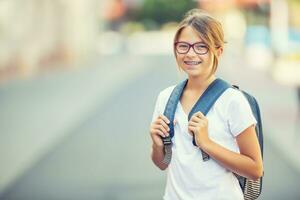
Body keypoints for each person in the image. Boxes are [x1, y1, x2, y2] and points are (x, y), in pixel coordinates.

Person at [149, 9, 263, 200]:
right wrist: (156, 144)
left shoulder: (232, 100)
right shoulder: (166, 98)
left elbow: (255, 169)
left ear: (218, 51)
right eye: (183, 46)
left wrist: (207, 143)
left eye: (201, 47)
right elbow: (162, 163)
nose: (190, 54)